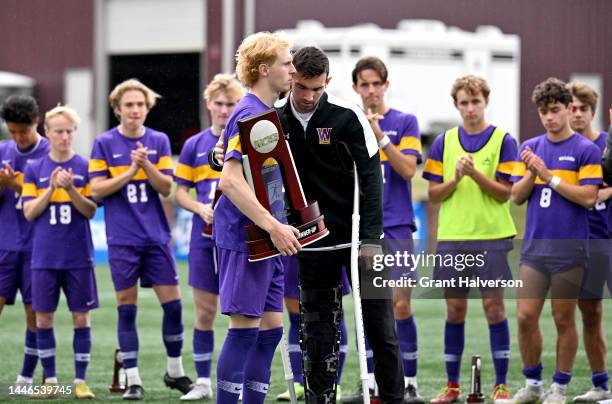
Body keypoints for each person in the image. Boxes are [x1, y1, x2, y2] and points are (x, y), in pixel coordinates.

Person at [275, 46, 404, 404]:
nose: (308, 96)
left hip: (359, 237)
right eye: (302, 87)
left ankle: (393, 397)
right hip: (310, 239)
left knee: (381, 326)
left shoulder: (348, 115)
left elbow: (372, 176)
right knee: (316, 329)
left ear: (327, 82)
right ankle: (319, 398)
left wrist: (370, 238)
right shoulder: (274, 119)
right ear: (290, 78)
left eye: (317, 89)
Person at [89, 79, 191, 400]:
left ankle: (174, 372)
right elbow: (96, 190)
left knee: (173, 307)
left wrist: (145, 164)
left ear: (147, 109)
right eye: (129, 105)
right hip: (122, 239)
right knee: (126, 309)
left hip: (156, 238)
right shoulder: (103, 143)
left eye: (140, 105)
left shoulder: (158, 141)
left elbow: (165, 189)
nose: (135, 110)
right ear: (117, 109)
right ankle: (133, 379)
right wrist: (130, 170)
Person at [213, 31, 299, 404]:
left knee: (270, 331)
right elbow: (229, 182)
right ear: (265, 69)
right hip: (246, 236)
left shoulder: (265, 114)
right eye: (286, 62)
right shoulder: (249, 113)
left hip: (266, 237)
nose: (293, 70)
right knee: (245, 330)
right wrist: (274, 225)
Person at [422, 75, 517, 404]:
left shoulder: (504, 140)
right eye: (464, 102)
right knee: (455, 310)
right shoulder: (443, 142)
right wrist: (457, 177)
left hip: (492, 237)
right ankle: (452, 386)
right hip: (453, 239)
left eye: (476, 102)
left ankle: (501, 386)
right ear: (456, 105)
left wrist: (476, 173)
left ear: (485, 102)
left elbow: (506, 194)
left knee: (494, 309)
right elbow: (433, 193)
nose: (471, 108)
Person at [509, 78, 602, 404]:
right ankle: (533, 383)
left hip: (569, 249)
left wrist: (550, 176)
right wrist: (533, 173)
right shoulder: (531, 147)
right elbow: (516, 197)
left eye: (555, 110)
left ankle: (559, 387)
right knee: (524, 316)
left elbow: (589, 198)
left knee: (564, 318)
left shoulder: (585, 150)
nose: (549, 117)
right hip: (535, 248)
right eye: (543, 112)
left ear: (567, 109)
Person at [344, 56, 423, 404]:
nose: (372, 91)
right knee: (370, 307)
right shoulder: (347, 124)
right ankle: (373, 383)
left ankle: (410, 381)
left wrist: (381, 139)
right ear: (356, 88)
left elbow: (408, 171)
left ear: (385, 86)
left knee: (401, 306)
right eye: (365, 84)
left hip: (398, 225)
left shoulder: (405, 122)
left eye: (377, 84)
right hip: (364, 229)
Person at [174, 73, 244, 401]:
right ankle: (203, 381)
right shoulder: (194, 145)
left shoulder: (245, 138)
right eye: (219, 103)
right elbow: (179, 192)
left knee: (241, 312)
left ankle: (239, 378)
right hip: (203, 238)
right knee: (205, 312)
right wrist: (199, 209)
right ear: (208, 104)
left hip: (239, 238)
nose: (224, 109)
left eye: (231, 104)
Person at [22, 105, 97, 398]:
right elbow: (29, 212)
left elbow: (90, 210)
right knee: (43, 319)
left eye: (69, 131)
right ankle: (51, 381)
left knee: (81, 317)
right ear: (47, 133)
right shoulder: (34, 169)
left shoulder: (86, 166)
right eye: (59, 132)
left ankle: (80, 381)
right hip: (44, 256)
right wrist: (52, 189)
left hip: (78, 255)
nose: (65, 137)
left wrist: (72, 190)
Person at [566, 82, 612, 402]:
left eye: (583, 108)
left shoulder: (608, 144)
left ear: (593, 112)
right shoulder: (564, 150)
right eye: (572, 108)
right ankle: (600, 385)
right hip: (583, 243)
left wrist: (597, 193)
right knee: (590, 314)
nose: (577, 113)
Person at [0, 95, 49, 387]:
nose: (18, 138)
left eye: (23, 131)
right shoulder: (2, 150)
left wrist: (15, 183)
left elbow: (47, 196)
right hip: (4, 245)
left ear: (36, 121)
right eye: (12, 131)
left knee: (36, 317)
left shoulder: (50, 153)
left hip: (37, 248)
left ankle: (27, 375)